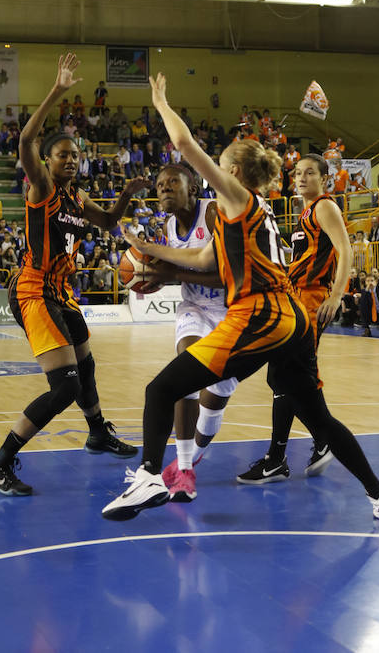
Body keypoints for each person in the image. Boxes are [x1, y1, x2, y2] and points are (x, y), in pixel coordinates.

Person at [101, 73, 379, 523]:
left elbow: (183, 145)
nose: (214, 172)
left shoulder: (238, 197)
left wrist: (160, 101)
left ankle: (148, 475)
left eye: (219, 165)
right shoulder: (240, 214)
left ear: (234, 172)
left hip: (258, 314)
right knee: (318, 419)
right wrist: (146, 249)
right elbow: (202, 258)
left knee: (160, 389)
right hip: (292, 320)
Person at [0, 54, 139, 498]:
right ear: (47, 161)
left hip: (62, 292)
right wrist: (57, 91)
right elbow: (26, 139)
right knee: (65, 385)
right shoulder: (43, 189)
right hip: (33, 288)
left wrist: (125, 195)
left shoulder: (76, 197)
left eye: (75, 155)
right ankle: (0, 461)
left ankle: (96, 433)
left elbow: (108, 223)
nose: (70, 159)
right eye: (62, 154)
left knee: (85, 366)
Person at [235, 153, 353, 485]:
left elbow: (346, 249)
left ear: (325, 179)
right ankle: (305, 444)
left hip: (314, 299)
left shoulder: (325, 207)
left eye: (310, 173)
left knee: (286, 376)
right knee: (286, 378)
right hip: (297, 299)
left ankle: (283, 455)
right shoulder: (306, 213)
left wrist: (336, 294)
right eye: (298, 173)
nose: (300, 178)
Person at [140, 164, 233, 503]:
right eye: (159, 183)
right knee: (185, 372)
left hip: (231, 313)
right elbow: (177, 271)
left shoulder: (212, 214)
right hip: (193, 308)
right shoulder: (168, 224)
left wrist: (173, 275)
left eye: (172, 183)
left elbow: (228, 275)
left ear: (192, 188)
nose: (163, 188)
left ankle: (193, 455)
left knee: (213, 406)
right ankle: (184, 471)